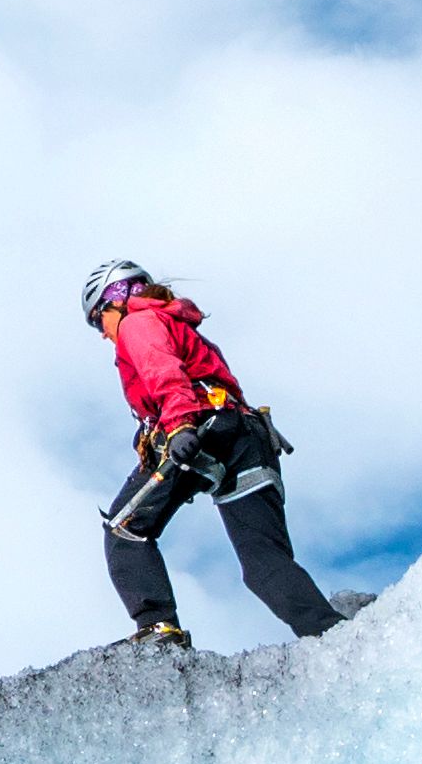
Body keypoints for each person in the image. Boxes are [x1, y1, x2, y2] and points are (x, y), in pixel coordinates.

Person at [81, 258, 339, 648]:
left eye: (99, 319)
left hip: (203, 432)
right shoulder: (178, 324)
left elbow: (162, 370)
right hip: (248, 439)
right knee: (263, 565)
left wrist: (181, 425)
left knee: (124, 529)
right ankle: (332, 635)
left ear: (116, 299)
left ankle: (158, 630)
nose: (102, 333)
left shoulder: (138, 322)